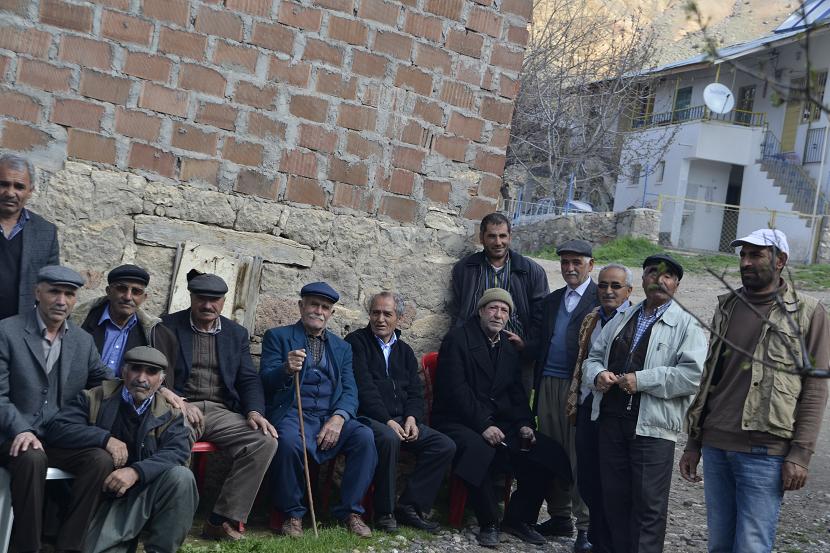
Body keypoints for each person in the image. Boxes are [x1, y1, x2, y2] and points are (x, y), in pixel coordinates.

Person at [679, 229, 829, 553]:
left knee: (752, 545)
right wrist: (694, 442)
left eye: (756, 255)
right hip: (716, 444)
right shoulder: (728, 306)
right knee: (719, 544)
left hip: (765, 450)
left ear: (780, 260)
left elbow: (816, 388)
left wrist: (801, 454)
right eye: (743, 255)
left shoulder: (808, 312)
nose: (746, 262)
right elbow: (710, 376)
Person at [583, 254, 707, 553]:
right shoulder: (624, 317)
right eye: (653, 273)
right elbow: (593, 357)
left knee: (648, 507)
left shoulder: (686, 324)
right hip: (612, 421)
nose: (659, 280)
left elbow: (691, 376)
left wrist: (643, 380)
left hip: (652, 429)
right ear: (643, 280)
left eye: (667, 276)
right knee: (615, 499)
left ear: (676, 285)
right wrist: (598, 374)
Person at [432, 288, 572, 548]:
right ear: (481, 311)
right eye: (493, 308)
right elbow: (455, 391)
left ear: (508, 317)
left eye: (504, 310)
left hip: (499, 420)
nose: (498, 315)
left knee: (546, 452)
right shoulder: (458, 339)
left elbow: (516, 392)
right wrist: (484, 425)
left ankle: (518, 519)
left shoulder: (507, 346)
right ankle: (489, 522)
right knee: (478, 448)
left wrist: (525, 423)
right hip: (459, 420)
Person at [0, 265, 112, 553]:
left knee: (99, 459)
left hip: (58, 436)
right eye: (54, 292)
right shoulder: (7, 331)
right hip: (11, 435)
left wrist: (160, 389)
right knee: (32, 456)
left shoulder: (82, 341)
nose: (62, 300)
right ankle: (27, 547)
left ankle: (68, 546)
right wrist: (21, 429)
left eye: (69, 294)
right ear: (38, 293)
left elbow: (108, 383)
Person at [45, 346, 198, 553]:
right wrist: (104, 439)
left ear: (161, 381)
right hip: (101, 500)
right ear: (124, 372)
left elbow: (177, 452)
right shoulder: (95, 397)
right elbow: (58, 428)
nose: (142, 378)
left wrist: (136, 472)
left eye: (151, 372)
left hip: (142, 496)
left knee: (182, 477)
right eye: (136, 369)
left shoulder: (170, 413)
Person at [161, 272, 277, 541]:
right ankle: (170, 521)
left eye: (214, 300)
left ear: (224, 301)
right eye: (201, 298)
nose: (207, 305)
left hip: (220, 410)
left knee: (264, 440)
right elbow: (158, 372)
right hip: (180, 406)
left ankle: (220, 519)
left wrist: (254, 412)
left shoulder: (235, 333)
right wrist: (177, 401)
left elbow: (248, 378)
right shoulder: (167, 326)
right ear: (191, 297)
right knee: (176, 436)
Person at [261, 282, 377, 538]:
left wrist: (339, 418)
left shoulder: (342, 347)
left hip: (328, 416)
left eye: (325, 307)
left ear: (331, 313)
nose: (319, 311)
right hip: (292, 413)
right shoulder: (277, 337)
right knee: (288, 442)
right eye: (314, 304)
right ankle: (292, 514)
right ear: (301, 306)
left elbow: (350, 390)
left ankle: (351, 512)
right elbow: (265, 382)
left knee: (364, 437)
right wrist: (285, 369)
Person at [345, 291, 455, 533]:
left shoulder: (404, 351)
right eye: (375, 313)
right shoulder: (356, 342)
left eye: (387, 314)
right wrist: (387, 420)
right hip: (368, 418)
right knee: (389, 438)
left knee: (443, 445)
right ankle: (384, 513)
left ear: (399, 318)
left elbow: (415, 391)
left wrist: (412, 419)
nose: (380, 319)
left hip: (402, 419)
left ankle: (409, 507)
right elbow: (364, 388)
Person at [529, 238, 598, 549]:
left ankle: (585, 526)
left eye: (576, 262)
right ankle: (559, 516)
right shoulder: (553, 299)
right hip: (548, 382)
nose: (570, 268)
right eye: (565, 262)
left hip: (578, 387)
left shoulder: (599, 298)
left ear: (590, 265)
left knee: (578, 456)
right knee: (552, 452)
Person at [566, 264, 633, 553]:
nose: (608, 291)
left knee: (613, 483)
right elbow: (582, 361)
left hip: (616, 413)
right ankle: (595, 538)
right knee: (588, 479)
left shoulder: (636, 320)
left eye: (616, 286)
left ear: (629, 291)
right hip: (587, 406)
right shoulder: (591, 318)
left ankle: (611, 542)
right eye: (603, 285)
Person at [451, 212, 549, 391]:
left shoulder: (531, 271)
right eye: (492, 236)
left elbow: (541, 316)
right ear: (481, 238)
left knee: (515, 404)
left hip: (516, 355)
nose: (498, 242)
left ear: (510, 237)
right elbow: (458, 312)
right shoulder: (465, 269)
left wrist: (526, 345)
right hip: (474, 353)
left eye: (503, 236)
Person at [74, 264, 180, 405]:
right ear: (108, 291)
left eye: (136, 291)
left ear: (144, 297)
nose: (128, 297)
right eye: (121, 289)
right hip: (77, 399)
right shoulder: (79, 321)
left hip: (124, 406)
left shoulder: (154, 334)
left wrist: (162, 389)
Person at [0, 153, 59, 320]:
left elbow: (52, 285)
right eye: (3, 184)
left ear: (30, 191)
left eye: (19, 187)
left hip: (19, 328)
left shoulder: (45, 232)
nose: (10, 193)